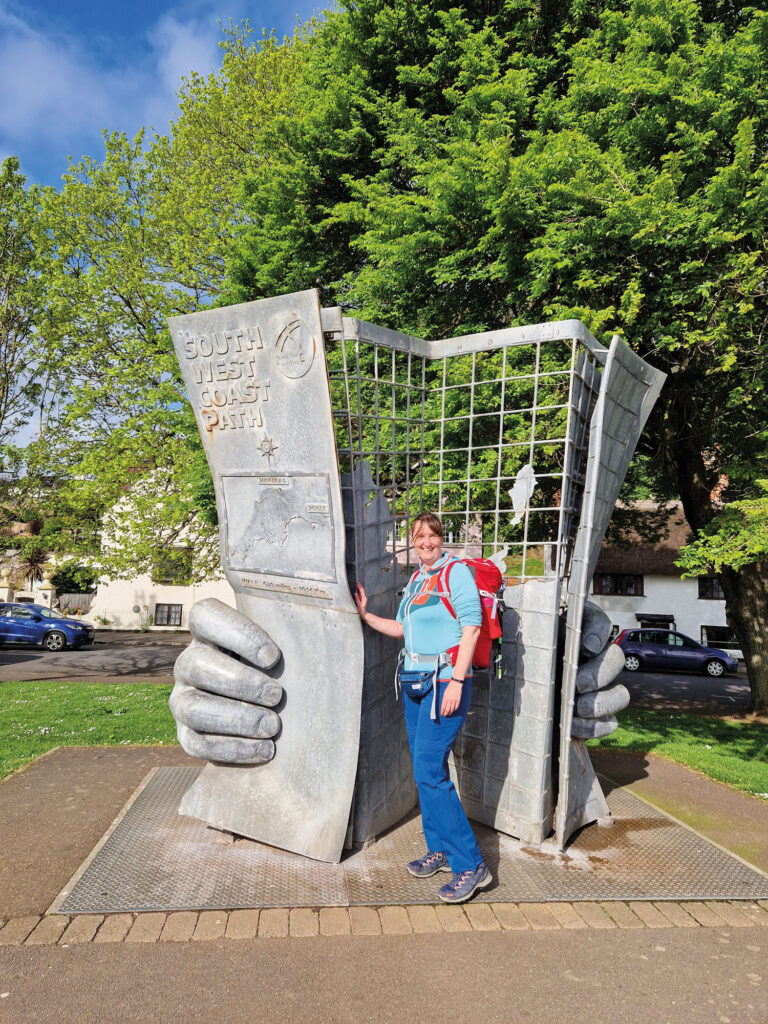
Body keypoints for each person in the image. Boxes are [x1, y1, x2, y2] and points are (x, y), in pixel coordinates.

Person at [354, 512, 492, 903]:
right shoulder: (416, 580)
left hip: (445, 683)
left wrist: (459, 680)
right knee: (423, 772)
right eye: (419, 537)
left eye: (432, 536)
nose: (426, 543)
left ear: (441, 538)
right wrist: (366, 616)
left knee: (431, 772)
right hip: (413, 683)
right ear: (412, 543)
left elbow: (472, 628)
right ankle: (442, 850)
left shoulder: (456, 572)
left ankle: (471, 864)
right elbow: (402, 629)